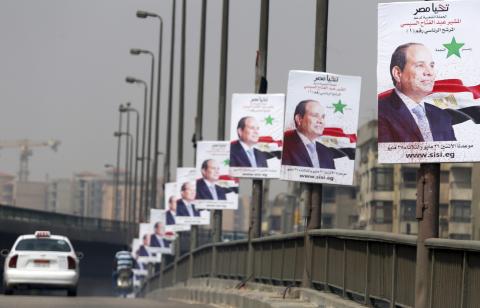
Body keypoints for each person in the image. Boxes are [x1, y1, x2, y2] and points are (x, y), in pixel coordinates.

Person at [378, 42, 456, 142]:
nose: (430, 72)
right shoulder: (378, 113)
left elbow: (453, 156)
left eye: (431, 65)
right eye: (420, 65)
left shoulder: (442, 116)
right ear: (398, 73)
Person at [282, 100, 335, 169]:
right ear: (299, 119)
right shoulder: (284, 146)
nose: (321, 121)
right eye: (315, 115)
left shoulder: (326, 152)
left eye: (323, 117)